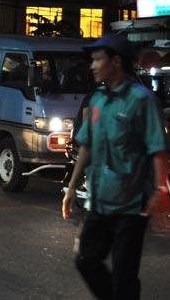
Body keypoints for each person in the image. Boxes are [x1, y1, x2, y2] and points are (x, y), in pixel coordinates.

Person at [62, 34, 170, 300]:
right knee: (85, 260)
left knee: (124, 276)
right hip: (100, 201)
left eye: (98, 59)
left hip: (131, 207)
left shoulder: (141, 100)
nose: (93, 65)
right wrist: (71, 188)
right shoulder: (96, 99)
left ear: (116, 62)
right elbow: (86, 146)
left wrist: (160, 191)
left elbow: (157, 148)